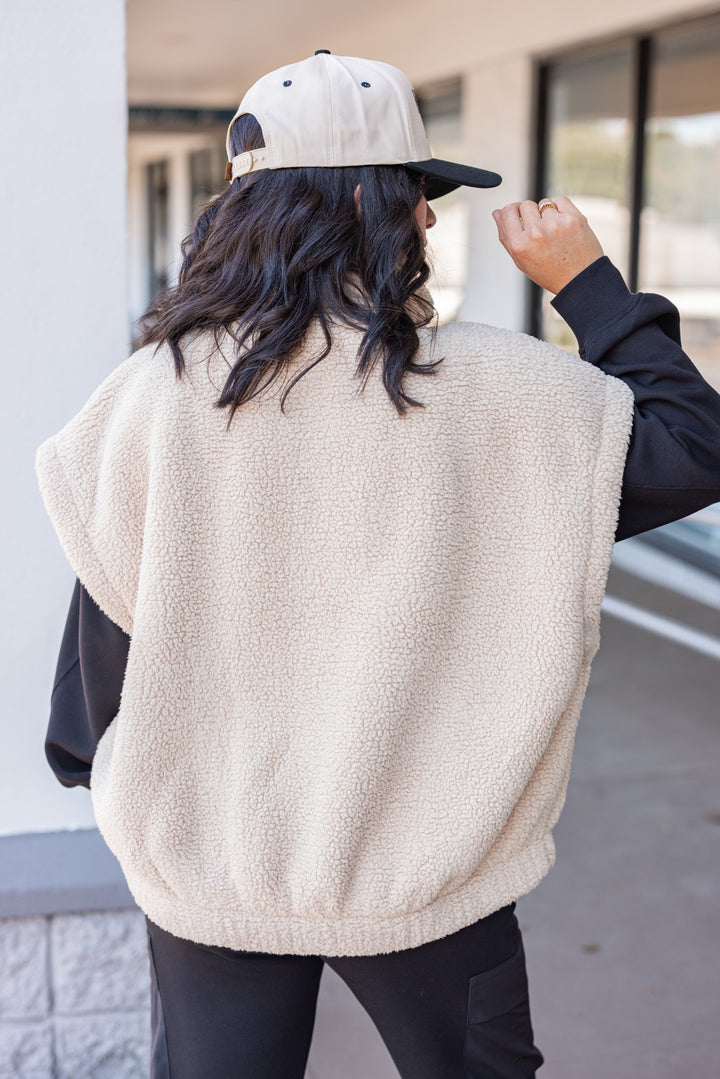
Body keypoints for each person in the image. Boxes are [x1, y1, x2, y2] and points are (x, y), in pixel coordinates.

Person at [37, 51, 720, 1079]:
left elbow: (106, 633)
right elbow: (695, 443)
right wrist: (589, 285)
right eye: (418, 192)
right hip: (430, 864)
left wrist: (97, 761)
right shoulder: (505, 394)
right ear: (372, 204)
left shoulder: (149, 396)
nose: (431, 219)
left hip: (213, 861)